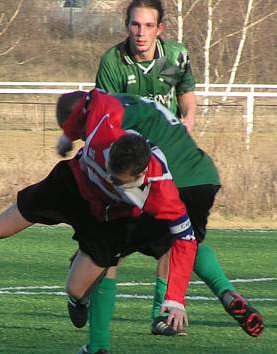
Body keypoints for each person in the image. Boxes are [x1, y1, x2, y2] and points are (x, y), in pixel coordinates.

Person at [0, 107, 199, 354]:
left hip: (108, 221)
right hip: (68, 188)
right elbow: (87, 100)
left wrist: (174, 299)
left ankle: (78, 299)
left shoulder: (164, 192)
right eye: (110, 174)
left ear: (143, 173)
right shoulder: (103, 128)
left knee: (76, 289)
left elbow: (186, 241)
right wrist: (68, 135)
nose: (111, 182)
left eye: (120, 182)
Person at [56, 89, 264, 352]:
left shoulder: (110, 119)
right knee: (181, 240)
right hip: (203, 177)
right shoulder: (123, 101)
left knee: (106, 253)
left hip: (163, 181)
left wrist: (68, 141)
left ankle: (98, 344)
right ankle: (224, 292)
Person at [95, 0, 197, 133]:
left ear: (159, 29)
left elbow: (183, 91)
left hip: (169, 139)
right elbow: (105, 114)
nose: (141, 33)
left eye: (149, 25)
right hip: (129, 143)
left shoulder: (171, 57)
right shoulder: (113, 62)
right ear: (127, 25)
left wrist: (189, 118)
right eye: (136, 25)